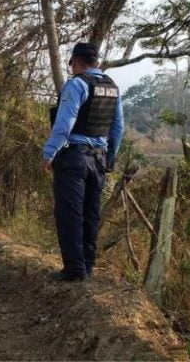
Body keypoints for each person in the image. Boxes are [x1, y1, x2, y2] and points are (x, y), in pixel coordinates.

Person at [42, 42, 124, 282]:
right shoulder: (112, 88)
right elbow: (118, 127)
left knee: (70, 213)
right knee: (91, 213)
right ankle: (87, 265)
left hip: (73, 159)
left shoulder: (76, 84)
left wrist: (49, 154)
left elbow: (64, 124)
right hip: (98, 159)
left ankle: (74, 268)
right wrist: (109, 158)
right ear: (96, 62)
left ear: (76, 62)